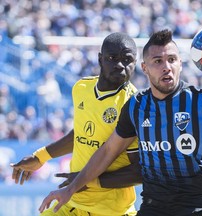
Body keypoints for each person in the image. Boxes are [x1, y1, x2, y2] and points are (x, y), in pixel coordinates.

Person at [38, 29, 202, 216]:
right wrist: (71, 189)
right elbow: (108, 150)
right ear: (145, 68)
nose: (166, 66)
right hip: (154, 206)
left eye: (171, 59)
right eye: (157, 61)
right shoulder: (136, 106)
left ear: (180, 63)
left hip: (199, 206)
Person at [11, 32, 142, 216]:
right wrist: (40, 157)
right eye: (112, 58)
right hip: (72, 204)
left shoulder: (135, 105)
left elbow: (140, 171)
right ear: (100, 59)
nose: (120, 65)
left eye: (127, 59)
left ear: (136, 63)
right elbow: (80, 135)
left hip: (110, 211)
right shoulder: (81, 88)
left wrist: (84, 182)